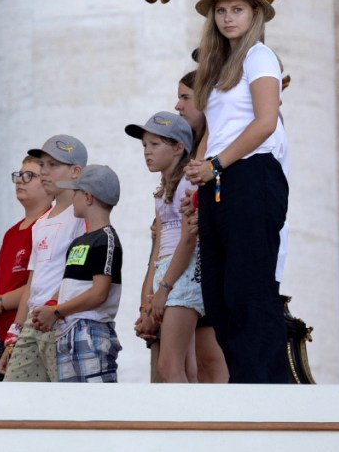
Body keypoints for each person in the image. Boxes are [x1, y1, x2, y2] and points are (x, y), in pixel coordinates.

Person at [184, 0, 289, 383]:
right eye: (222, 10)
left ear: (254, 15)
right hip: (220, 180)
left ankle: (267, 387)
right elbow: (214, 129)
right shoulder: (219, 64)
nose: (228, 18)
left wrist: (215, 164)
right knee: (219, 292)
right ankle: (244, 382)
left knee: (249, 287)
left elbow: (264, 123)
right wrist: (200, 168)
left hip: (251, 174)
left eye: (238, 9)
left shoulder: (259, 56)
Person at [1, 134, 88, 382]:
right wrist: (15, 333)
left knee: (62, 402)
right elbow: (32, 282)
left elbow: (77, 274)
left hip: (61, 321)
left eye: (53, 165)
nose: (45, 172)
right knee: (15, 399)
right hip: (32, 323)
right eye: (43, 165)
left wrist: (55, 308)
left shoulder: (81, 216)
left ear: (76, 171)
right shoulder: (40, 223)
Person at [127, 111, 201, 382]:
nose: (147, 151)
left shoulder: (187, 185)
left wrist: (164, 289)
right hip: (167, 273)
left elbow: (188, 240)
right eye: (144, 145)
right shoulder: (162, 193)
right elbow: (157, 250)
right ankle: (193, 421)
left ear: (179, 147)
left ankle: (185, 424)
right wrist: (148, 302)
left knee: (169, 365)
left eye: (155, 144)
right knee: (185, 366)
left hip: (182, 273)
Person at [31, 165, 123, 383]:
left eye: (76, 192)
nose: (72, 198)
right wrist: (52, 306)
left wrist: (56, 312)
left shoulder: (106, 239)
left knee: (96, 404)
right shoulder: (79, 241)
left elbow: (99, 293)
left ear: (88, 197)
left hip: (91, 331)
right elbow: (69, 288)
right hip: (66, 331)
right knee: (71, 407)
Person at [0, 155, 52, 381]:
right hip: (6, 336)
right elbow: (3, 279)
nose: (20, 180)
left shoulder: (48, 226)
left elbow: (38, 284)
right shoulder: (11, 233)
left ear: (47, 183)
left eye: (30, 176)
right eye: (19, 175)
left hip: (30, 336)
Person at [174, 70, 229, 383]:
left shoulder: (219, 142)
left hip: (208, 260)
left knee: (211, 362)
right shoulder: (193, 147)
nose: (178, 106)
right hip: (191, 266)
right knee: (193, 364)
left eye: (185, 98)